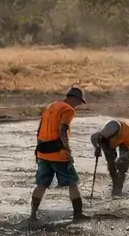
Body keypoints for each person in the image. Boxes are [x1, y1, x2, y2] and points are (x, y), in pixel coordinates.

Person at [31, 86, 89, 222]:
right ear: (72, 97)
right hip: (58, 152)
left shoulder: (50, 106)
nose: (79, 104)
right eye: (79, 101)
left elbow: (39, 130)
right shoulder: (68, 109)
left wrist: (38, 150)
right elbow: (63, 130)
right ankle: (78, 215)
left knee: (41, 184)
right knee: (72, 182)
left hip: (43, 151)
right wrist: (67, 150)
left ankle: (33, 215)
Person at [91, 118, 129, 196]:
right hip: (117, 132)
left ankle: (116, 188)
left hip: (118, 133)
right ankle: (116, 189)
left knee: (117, 164)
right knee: (117, 164)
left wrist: (97, 148)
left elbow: (94, 137)